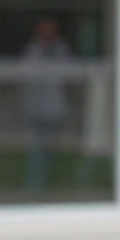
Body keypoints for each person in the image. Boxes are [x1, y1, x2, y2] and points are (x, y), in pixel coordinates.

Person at [21, 16, 71, 193]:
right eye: (44, 29)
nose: (47, 33)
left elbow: (63, 76)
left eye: (50, 29)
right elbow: (29, 75)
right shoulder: (32, 50)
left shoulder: (61, 50)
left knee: (50, 148)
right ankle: (33, 184)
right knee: (36, 149)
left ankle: (50, 183)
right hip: (35, 107)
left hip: (54, 107)